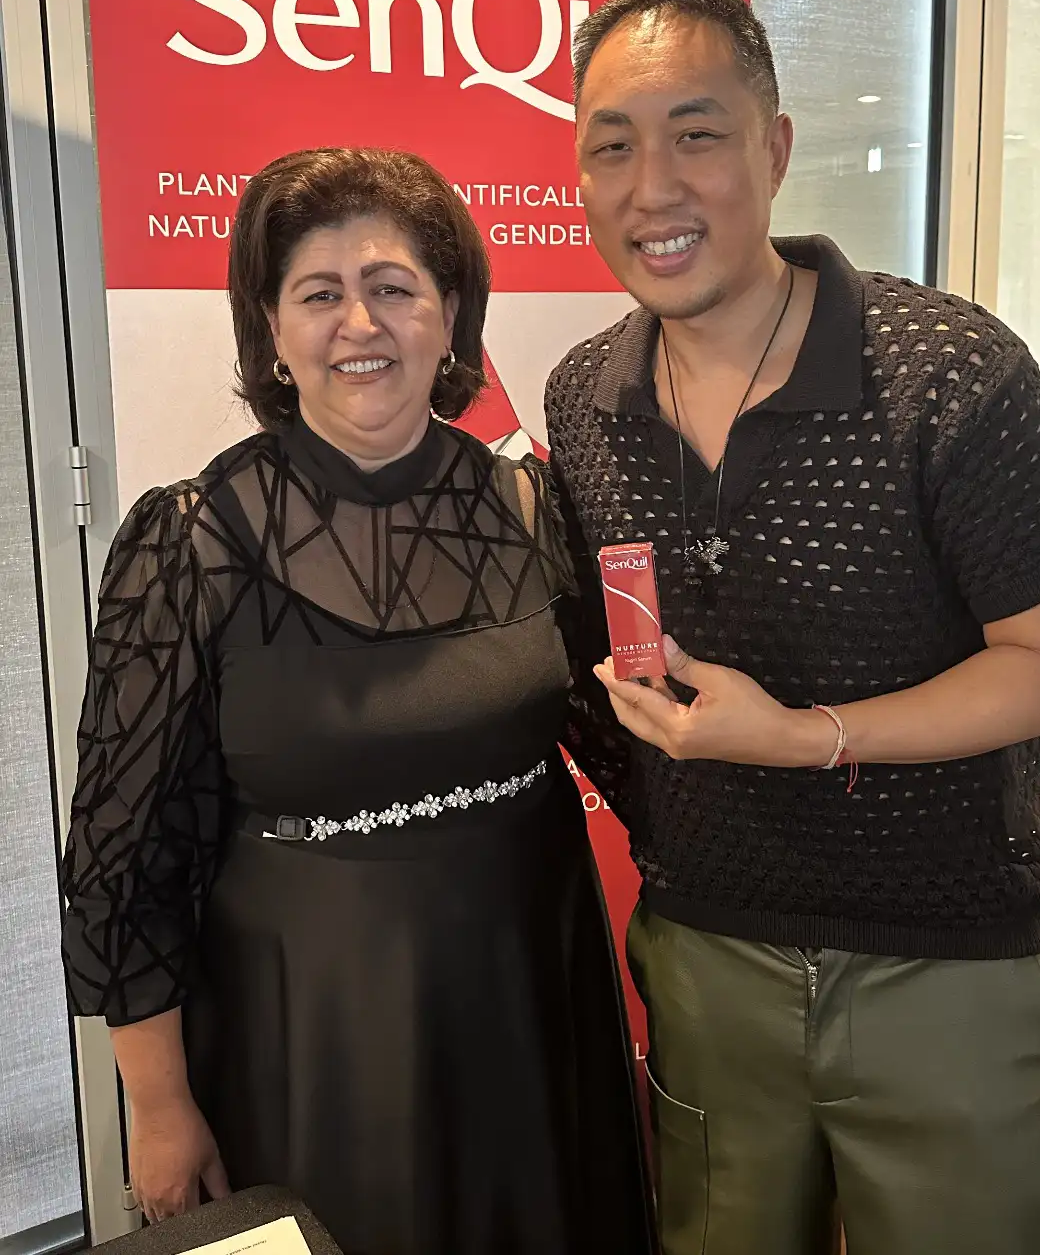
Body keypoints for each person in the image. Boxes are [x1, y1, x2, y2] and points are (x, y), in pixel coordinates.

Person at [544, 0, 1040, 1255]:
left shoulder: (947, 371)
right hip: (702, 954)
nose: (652, 187)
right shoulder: (583, 396)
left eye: (696, 134)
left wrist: (808, 735)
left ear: (774, 147)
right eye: (611, 147)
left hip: (942, 964)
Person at [61, 147, 655, 1255]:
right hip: (309, 1025)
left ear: (449, 315)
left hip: (532, 989)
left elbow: (628, 741)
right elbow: (122, 860)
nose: (359, 324)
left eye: (392, 287)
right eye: (319, 294)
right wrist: (159, 1102)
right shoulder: (192, 541)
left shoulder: (531, 506)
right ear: (271, 330)